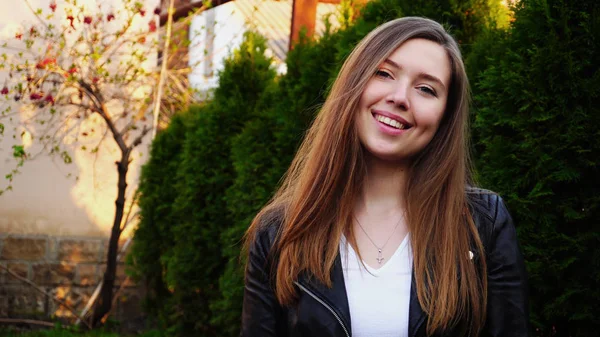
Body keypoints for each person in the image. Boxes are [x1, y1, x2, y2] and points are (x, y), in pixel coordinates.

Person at [241, 17, 529, 337]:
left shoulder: (483, 224)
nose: (400, 97)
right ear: (355, 83)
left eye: (426, 89)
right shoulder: (279, 232)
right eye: (384, 73)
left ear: (445, 117)